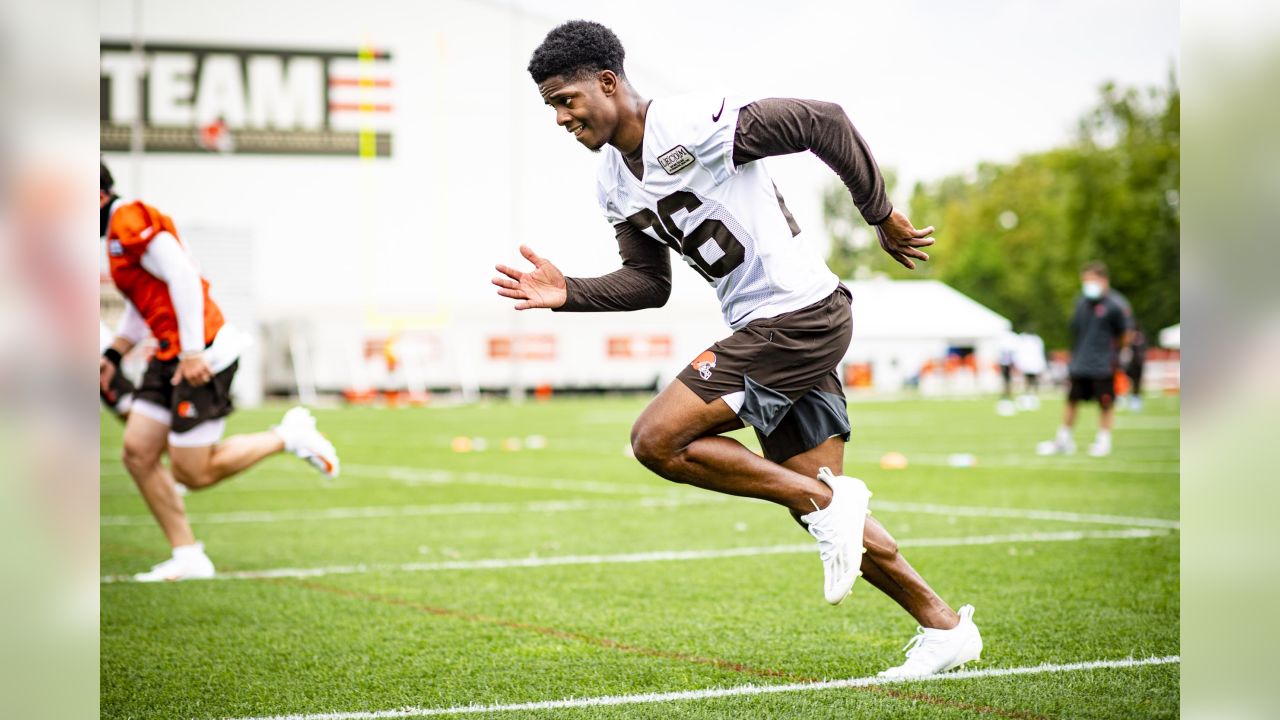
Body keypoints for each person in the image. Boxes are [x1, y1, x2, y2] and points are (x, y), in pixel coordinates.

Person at [493, 21, 981, 678]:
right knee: (812, 499)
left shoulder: (690, 122)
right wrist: (569, 292)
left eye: (566, 99)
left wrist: (879, 211)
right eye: (551, 106)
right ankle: (943, 627)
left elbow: (822, 121)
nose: (560, 118)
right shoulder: (613, 181)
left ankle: (832, 506)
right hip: (771, 327)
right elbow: (649, 283)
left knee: (655, 440)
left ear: (607, 83)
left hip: (797, 315)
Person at [100, 161, 341, 581]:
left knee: (191, 472)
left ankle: (287, 436)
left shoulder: (130, 216)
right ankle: (188, 554)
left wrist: (193, 351)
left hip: (203, 351)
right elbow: (144, 308)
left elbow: (184, 278)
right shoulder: (112, 235)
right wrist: (115, 355)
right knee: (138, 453)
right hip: (168, 352)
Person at [1038, 261, 1132, 457]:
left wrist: (1116, 353)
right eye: (1085, 280)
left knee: (1105, 404)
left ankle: (1103, 441)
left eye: (1091, 280)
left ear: (1103, 280)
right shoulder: (1081, 302)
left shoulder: (1116, 304)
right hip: (1080, 362)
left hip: (1103, 364)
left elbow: (1125, 334)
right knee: (1071, 402)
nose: (1088, 284)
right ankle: (1063, 440)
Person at [1014, 331, 1046, 410]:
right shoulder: (1025, 340)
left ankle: (1032, 396)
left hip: (1032, 364)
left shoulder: (1036, 340)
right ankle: (1028, 396)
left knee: (1033, 381)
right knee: (1028, 381)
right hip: (1028, 364)